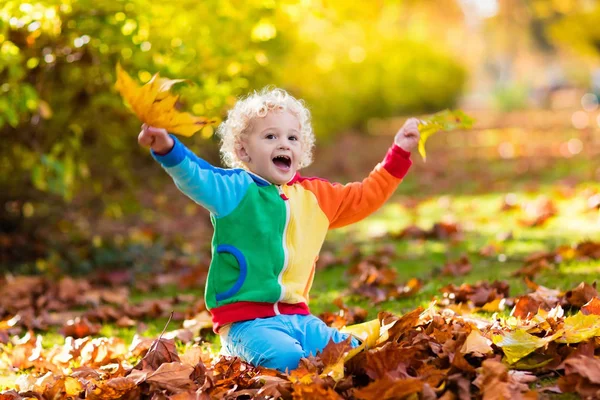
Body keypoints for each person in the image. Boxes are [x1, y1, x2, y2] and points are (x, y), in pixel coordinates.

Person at [138, 87, 420, 372]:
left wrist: (399, 153)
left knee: (354, 354)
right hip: (245, 323)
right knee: (288, 359)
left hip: (299, 318)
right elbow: (195, 176)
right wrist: (167, 148)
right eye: (271, 136)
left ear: (302, 149)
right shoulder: (235, 191)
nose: (284, 144)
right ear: (243, 150)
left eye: (292, 138)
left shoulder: (316, 197)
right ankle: (235, 354)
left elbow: (365, 196)